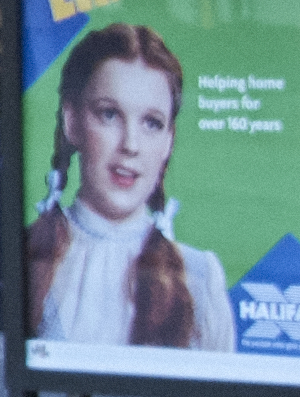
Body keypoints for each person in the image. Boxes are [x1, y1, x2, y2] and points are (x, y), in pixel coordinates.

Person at [27, 21, 233, 354]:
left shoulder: (201, 276)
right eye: (109, 114)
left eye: (151, 123)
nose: (131, 145)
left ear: (168, 142)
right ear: (72, 122)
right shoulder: (29, 254)